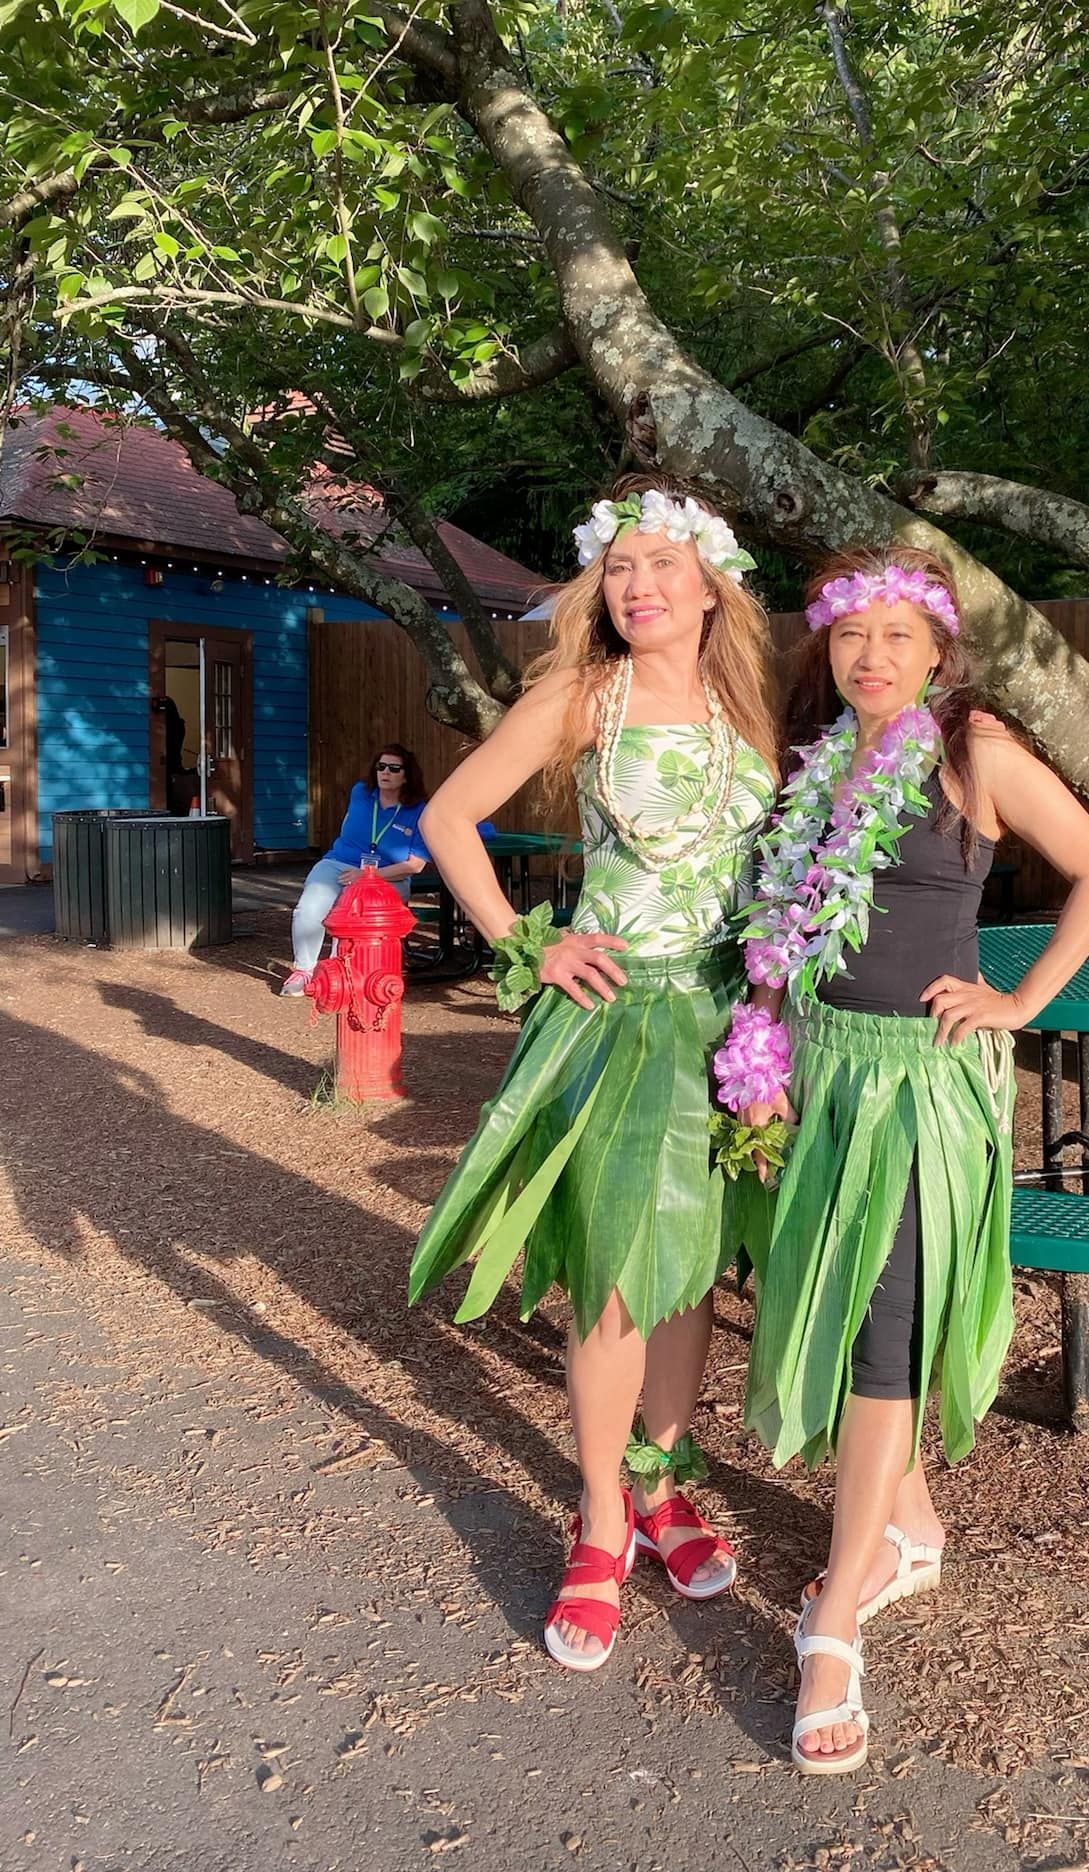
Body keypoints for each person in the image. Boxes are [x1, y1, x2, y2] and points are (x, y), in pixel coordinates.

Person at [725, 546, 1089, 1776]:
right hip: (822, 1066)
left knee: (882, 1329)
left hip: (915, 1084)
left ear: (938, 649)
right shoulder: (814, 764)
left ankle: (835, 1620)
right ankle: (906, 1527)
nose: (872, 657)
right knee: (836, 1294)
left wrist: (1017, 1000)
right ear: (825, 648)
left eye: (898, 636)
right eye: (852, 636)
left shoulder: (973, 753)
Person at [407, 475, 779, 1673]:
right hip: (620, 1021)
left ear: (712, 584)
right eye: (618, 567)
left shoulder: (752, 707)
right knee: (620, 1269)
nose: (638, 584)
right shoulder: (585, 695)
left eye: (662, 563)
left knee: (688, 1271)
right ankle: (603, 1518)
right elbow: (449, 817)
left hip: (728, 1019)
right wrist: (530, 939)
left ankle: (666, 1483)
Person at [280, 745, 430, 995]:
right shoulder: (361, 792)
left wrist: (368, 876)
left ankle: (339, 972)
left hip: (388, 876)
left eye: (394, 768)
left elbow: (414, 865)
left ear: (407, 775)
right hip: (340, 863)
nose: (385, 772)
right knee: (310, 907)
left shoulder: (419, 810)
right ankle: (304, 970)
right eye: (380, 767)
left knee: (354, 912)